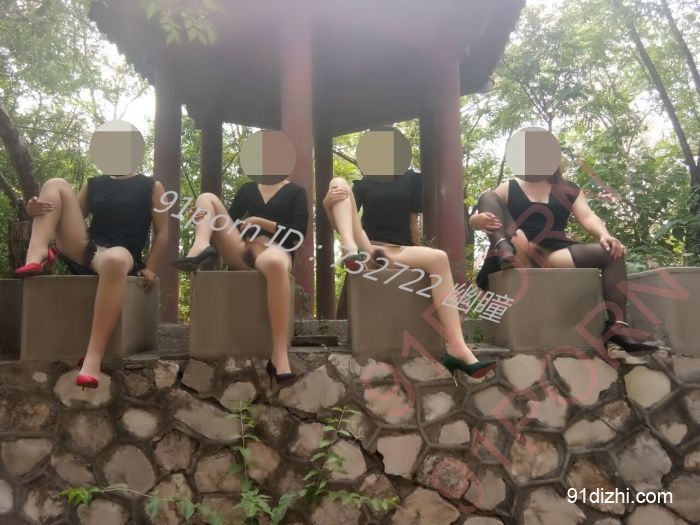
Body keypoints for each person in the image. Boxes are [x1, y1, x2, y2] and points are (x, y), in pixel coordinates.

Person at [323, 168, 496, 379]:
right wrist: (327, 204)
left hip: (399, 250)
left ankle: (457, 347)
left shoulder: (412, 180)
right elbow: (347, 220)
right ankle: (349, 248)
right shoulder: (363, 184)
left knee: (439, 257)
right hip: (369, 247)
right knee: (338, 182)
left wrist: (418, 254)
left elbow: (414, 223)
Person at [469, 169, 658, 353]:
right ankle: (501, 245)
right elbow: (484, 210)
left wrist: (605, 235)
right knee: (488, 196)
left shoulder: (569, 189)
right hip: (518, 245)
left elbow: (588, 216)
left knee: (612, 252)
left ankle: (618, 327)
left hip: (554, 250)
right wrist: (476, 221)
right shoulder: (510, 187)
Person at [16, 172, 168, 388]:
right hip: (85, 248)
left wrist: (150, 267)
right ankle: (37, 251)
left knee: (115, 260)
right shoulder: (94, 184)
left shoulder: (152, 186)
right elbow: (66, 217)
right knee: (56, 183)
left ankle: (93, 357)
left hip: (120, 253)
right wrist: (33, 210)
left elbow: (162, 233)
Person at [173, 177, 308, 385]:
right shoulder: (248, 188)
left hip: (274, 250)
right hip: (241, 247)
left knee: (275, 264)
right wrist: (203, 218)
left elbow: (297, 235)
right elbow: (230, 220)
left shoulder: (296, 192)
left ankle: (279, 354)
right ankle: (200, 246)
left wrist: (260, 222)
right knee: (206, 198)